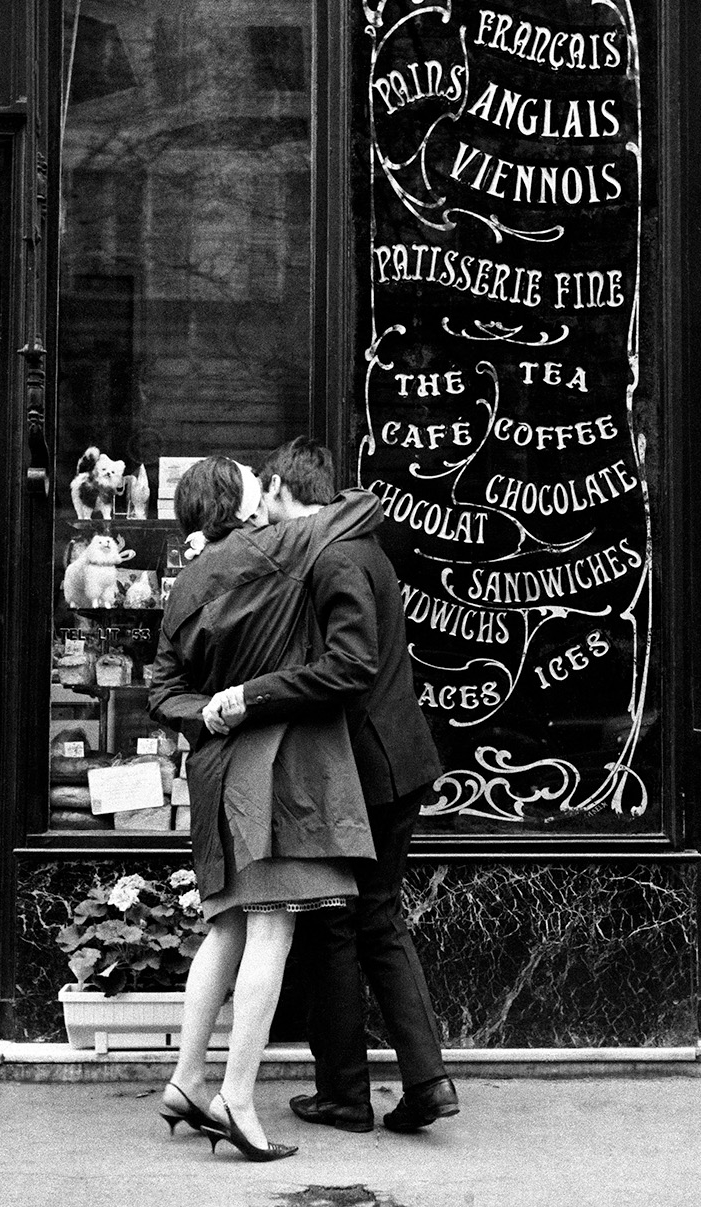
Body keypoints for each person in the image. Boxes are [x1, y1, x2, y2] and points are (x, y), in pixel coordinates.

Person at [203, 437, 458, 1134]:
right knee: (373, 922)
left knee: (338, 925)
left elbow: (350, 665)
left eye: (270, 499)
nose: (268, 516)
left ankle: (348, 1092)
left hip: (369, 769)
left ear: (286, 491)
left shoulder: (336, 555)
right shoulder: (355, 540)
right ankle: (424, 1081)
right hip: (392, 762)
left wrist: (252, 694)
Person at [148, 456, 379, 1161]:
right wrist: (287, 501)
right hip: (272, 766)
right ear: (245, 500)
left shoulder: (184, 582)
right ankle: (237, 1098)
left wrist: (207, 713)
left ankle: (188, 1079)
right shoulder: (275, 546)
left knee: (226, 928)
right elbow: (364, 506)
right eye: (256, 486)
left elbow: (161, 690)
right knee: (273, 931)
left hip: (215, 767)